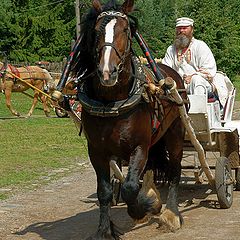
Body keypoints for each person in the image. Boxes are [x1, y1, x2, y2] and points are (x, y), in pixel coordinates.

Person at [162, 17, 218, 96]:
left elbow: (208, 68)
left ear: (192, 30)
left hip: (201, 84)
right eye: (179, 28)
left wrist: (193, 76)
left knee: (196, 80)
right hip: (178, 85)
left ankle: (198, 108)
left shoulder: (200, 46)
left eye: (185, 28)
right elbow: (165, 68)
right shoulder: (171, 49)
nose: (181, 31)